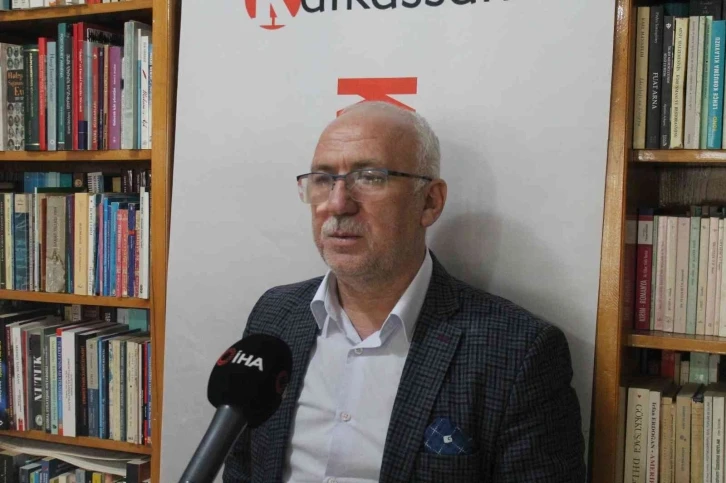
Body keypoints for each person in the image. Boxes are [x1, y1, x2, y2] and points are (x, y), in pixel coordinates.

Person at [222, 101, 586, 482]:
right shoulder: (275, 316)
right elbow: (242, 469)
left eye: (370, 177)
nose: (337, 203)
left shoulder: (516, 351)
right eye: (323, 179)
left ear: (430, 202)